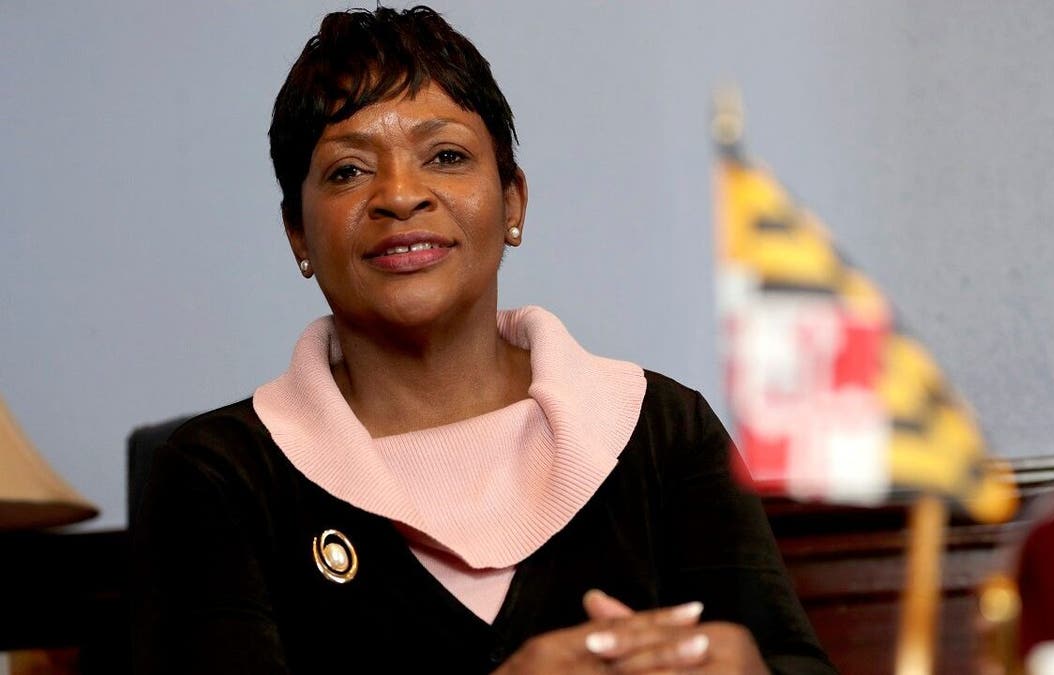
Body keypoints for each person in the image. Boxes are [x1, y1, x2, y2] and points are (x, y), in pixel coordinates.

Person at [132, 6, 836, 674]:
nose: (400, 195)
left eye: (444, 155)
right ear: (298, 235)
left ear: (513, 203)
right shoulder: (220, 475)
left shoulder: (662, 429)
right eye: (349, 170)